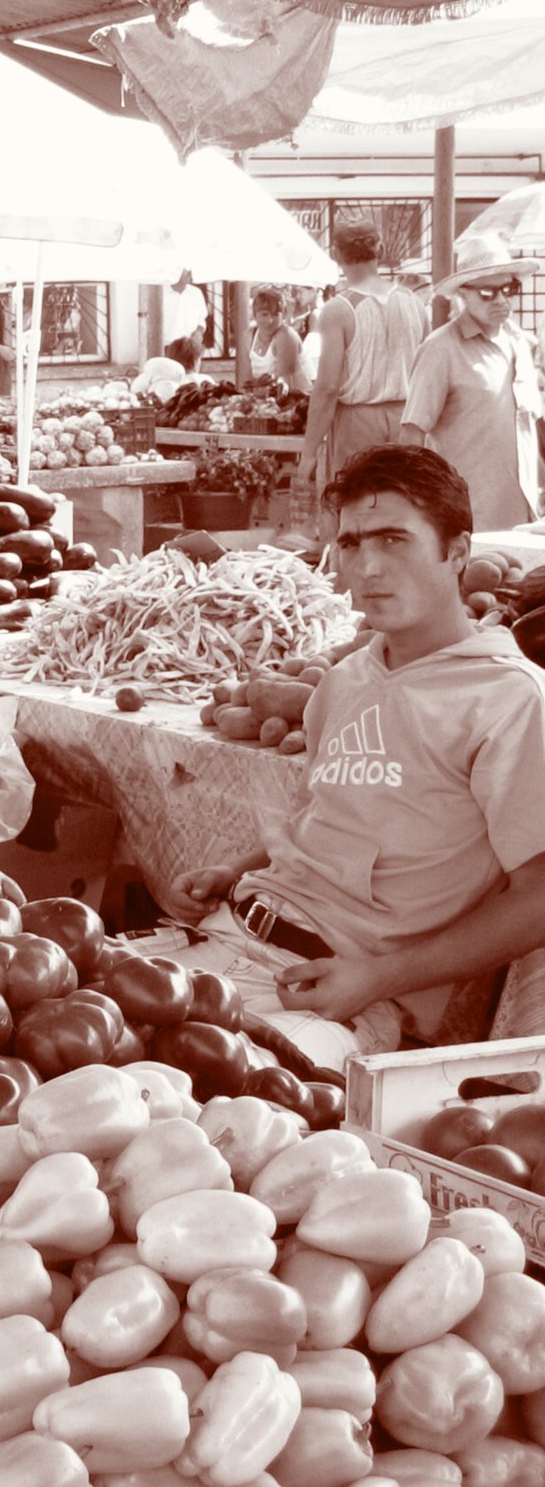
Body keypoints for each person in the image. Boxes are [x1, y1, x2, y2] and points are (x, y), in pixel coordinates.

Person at [165, 444, 545, 1073]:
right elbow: (326, 810)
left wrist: (377, 978)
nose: (367, 568)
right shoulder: (346, 680)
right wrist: (231, 871)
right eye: (351, 543)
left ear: (457, 553)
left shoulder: (508, 701)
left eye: (394, 539)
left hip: (340, 994)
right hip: (228, 936)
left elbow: (537, 897)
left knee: (194, 1095)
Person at [402, 235, 543, 533]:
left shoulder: (520, 344)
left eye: (509, 289)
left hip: (527, 516)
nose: (502, 300)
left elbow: (532, 429)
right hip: (467, 518)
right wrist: (416, 510)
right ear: (462, 296)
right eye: (487, 292)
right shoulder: (440, 349)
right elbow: (412, 435)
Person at [298, 219, 429, 492]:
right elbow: (427, 370)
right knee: (401, 506)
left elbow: (327, 387)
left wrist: (309, 452)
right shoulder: (413, 301)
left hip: (357, 422)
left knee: (356, 508)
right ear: (379, 249)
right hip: (408, 419)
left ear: (336, 255)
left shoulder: (339, 309)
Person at [247, 287, 312, 393]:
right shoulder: (249, 336)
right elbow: (246, 383)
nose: (270, 320)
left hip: (299, 400)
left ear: (283, 316)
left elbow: (285, 388)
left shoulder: (285, 336)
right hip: (270, 400)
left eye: (275, 315)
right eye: (264, 314)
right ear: (255, 315)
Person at [161, 271, 210, 360]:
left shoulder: (196, 293)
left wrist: (199, 332)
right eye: (186, 269)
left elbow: (201, 319)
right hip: (166, 349)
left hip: (190, 347)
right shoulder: (160, 293)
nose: (190, 272)